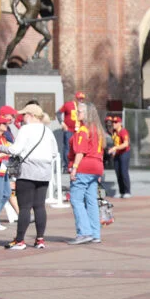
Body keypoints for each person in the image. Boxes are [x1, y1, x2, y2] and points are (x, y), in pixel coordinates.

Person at [0, 104, 59, 250]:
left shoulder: (25, 129)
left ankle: (19, 241)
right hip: (44, 173)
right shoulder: (47, 130)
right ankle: (40, 240)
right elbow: (54, 152)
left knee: (24, 207)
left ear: (30, 115)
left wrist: (1, 148)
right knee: (39, 206)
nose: (22, 117)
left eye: (24, 114)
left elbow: (15, 150)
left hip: (27, 172)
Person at [66, 103, 106, 245]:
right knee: (91, 201)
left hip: (85, 167)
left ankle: (84, 233)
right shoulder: (97, 130)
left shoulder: (84, 129)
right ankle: (95, 234)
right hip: (96, 167)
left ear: (88, 113)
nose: (77, 113)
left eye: (80, 111)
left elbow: (80, 151)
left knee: (76, 199)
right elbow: (100, 151)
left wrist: (75, 168)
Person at [107, 116, 132, 197]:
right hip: (117, 153)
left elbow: (126, 144)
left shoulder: (123, 131)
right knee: (118, 172)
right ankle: (121, 192)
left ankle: (127, 191)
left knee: (124, 171)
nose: (114, 124)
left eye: (116, 122)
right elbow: (115, 142)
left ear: (120, 123)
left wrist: (115, 148)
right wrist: (114, 150)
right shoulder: (114, 131)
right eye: (113, 122)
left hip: (124, 153)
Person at [57, 91, 85, 160]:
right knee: (68, 147)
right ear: (75, 98)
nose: (80, 100)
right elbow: (58, 113)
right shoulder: (68, 105)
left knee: (79, 148)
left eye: (82, 99)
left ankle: (76, 164)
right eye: (79, 98)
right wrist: (62, 123)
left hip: (79, 131)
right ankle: (66, 166)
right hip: (69, 130)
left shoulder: (83, 107)